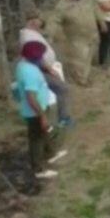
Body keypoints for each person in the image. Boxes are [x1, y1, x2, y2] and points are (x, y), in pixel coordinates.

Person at [14, 41, 67, 179]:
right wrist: (42, 116)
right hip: (35, 112)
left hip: (40, 107)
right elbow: (31, 97)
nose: (42, 58)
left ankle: (51, 154)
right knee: (36, 139)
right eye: (40, 56)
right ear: (35, 58)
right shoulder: (29, 72)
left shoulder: (23, 64)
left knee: (45, 132)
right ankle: (38, 169)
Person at [19, 8, 73, 127]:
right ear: (33, 21)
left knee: (56, 91)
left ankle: (57, 117)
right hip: (40, 70)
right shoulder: (29, 37)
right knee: (62, 89)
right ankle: (63, 119)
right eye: (39, 20)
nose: (41, 22)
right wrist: (50, 70)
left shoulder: (32, 33)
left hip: (40, 69)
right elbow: (37, 57)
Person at [52, 0, 105, 86]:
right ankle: (82, 80)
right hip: (77, 38)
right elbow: (55, 21)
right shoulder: (62, 5)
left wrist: (102, 22)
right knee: (80, 59)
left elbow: (96, 10)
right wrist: (51, 34)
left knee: (89, 56)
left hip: (92, 34)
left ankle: (85, 74)